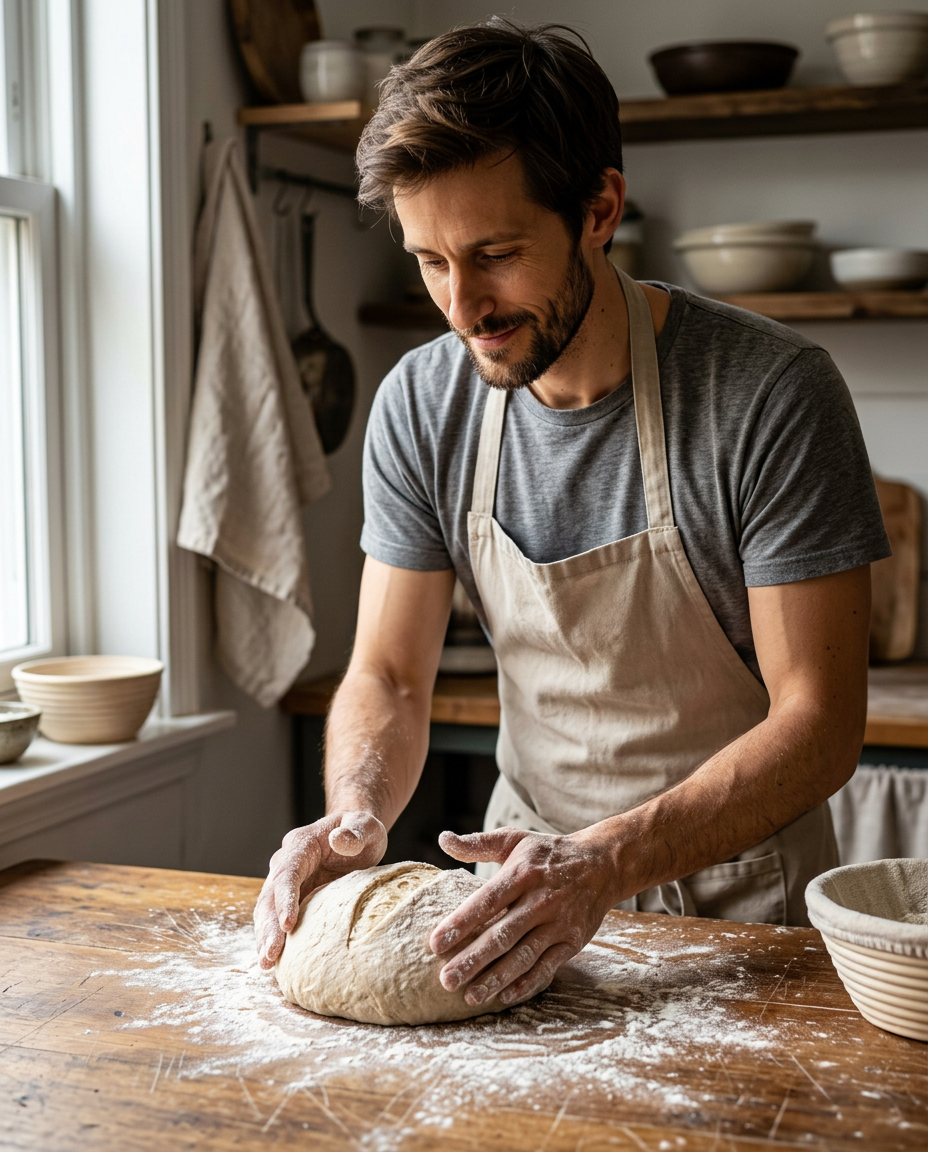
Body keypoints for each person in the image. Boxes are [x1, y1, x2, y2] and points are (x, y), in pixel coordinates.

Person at [254, 19, 889, 1012]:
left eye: (495, 253)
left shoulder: (766, 394)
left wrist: (604, 862)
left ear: (599, 208)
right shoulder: (422, 405)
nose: (463, 305)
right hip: (517, 904)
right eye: (429, 262)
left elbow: (820, 722)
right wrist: (353, 816)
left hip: (736, 920)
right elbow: (387, 673)